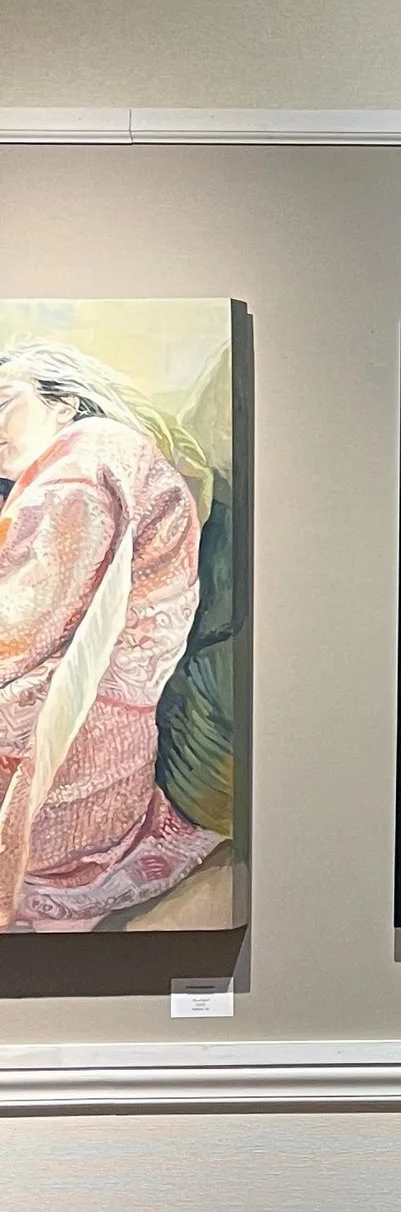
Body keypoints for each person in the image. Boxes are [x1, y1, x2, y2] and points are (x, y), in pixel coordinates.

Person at [0, 342, 224, 933]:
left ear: (65, 402)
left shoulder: (76, 474)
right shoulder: (107, 453)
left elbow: (21, 626)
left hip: (78, 713)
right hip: (116, 717)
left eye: (2, 404)